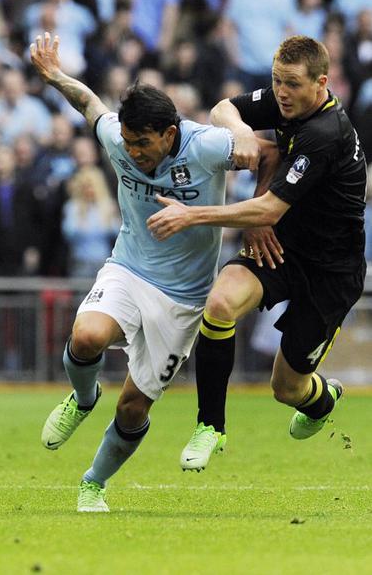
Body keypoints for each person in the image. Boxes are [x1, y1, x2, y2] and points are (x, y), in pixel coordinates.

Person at [30, 31, 278, 512]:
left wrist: (259, 215)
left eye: (142, 144)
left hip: (184, 298)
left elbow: (268, 153)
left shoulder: (207, 147)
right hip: (129, 267)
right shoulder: (117, 139)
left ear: (169, 134)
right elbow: (89, 104)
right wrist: (55, 75)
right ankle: (83, 399)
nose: (133, 152)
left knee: (132, 407)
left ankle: (93, 483)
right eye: (127, 142)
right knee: (86, 336)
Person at [147, 35, 367, 472]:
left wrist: (190, 216)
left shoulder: (325, 133)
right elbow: (221, 109)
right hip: (281, 249)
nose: (281, 92)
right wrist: (243, 130)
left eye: (292, 84)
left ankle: (322, 400)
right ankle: (210, 426)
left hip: (331, 272)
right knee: (220, 303)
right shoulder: (285, 101)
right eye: (276, 81)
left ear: (321, 83)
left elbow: (268, 209)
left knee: (286, 389)